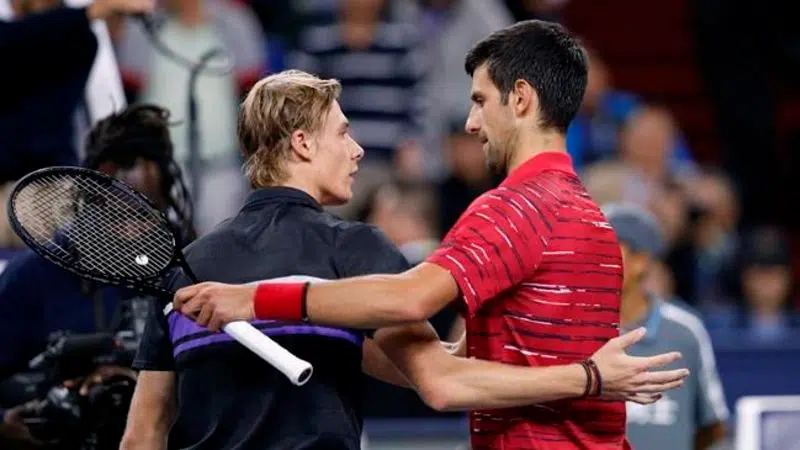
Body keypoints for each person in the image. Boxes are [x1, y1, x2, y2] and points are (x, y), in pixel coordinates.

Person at [174, 21, 690, 449]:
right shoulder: (587, 213)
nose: (470, 123)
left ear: (521, 99)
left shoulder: (516, 207)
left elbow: (412, 307)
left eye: (480, 101)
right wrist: (345, 338)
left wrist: (255, 299)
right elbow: (466, 362)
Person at [0, 104, 194, 448]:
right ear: (88, 202)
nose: (132, 231)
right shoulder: (31, 278)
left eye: (144, 214)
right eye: (118, 217)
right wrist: (4, 423)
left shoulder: (190, 271)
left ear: (165, 201)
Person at [602, 203, 729, 450]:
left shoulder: (684, 331)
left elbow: (712, 425)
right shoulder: (572, 327)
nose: (592, 259)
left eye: (604, 248)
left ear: (640, 261)